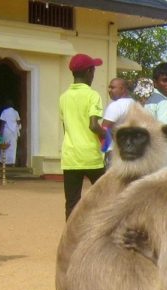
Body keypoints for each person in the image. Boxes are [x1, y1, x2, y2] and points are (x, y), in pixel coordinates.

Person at [59, 53, 105, 220]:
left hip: (70, 156)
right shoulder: (93, 95)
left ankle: (70, 241)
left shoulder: (63, 97)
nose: (93, 74)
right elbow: (93, 125)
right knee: (106, 198)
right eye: (93, 70)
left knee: (72, 202)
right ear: (88, 72)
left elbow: (66, 128)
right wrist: (108, 134)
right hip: (91, 155)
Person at [102, 78, 135, 167]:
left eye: (112, 88)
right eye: (109, 87)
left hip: (115, 152)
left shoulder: (116, 106)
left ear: (122, 89)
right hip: (132, 152)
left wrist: (104, 149)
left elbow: (104, 129)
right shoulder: (135, 104)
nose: (109, 90)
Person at [144, 62, 167, 126]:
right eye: (165, 80)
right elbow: (164, 132)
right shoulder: (163, 102)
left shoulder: (148, 99)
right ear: (155, 82)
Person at [0, 100, 21, 166]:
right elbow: (18, 122)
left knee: (4, 146)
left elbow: (3, 123)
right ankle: (12, 162)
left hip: (6, 131)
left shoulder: (4, 112)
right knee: (13, 147)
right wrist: (19, 129)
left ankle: (3, 162)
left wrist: (1, 132)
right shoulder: (16, 112)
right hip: (14, 132)